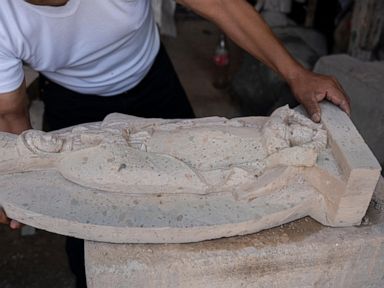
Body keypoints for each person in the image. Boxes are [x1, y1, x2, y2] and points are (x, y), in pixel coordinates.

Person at [0, 0, 350, 287]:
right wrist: (17, 182)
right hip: (75, 106)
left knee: (197, 205)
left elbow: (222, 5)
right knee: (91, 230)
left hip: (152, 80)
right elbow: (12, 115)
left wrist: (295, 73)